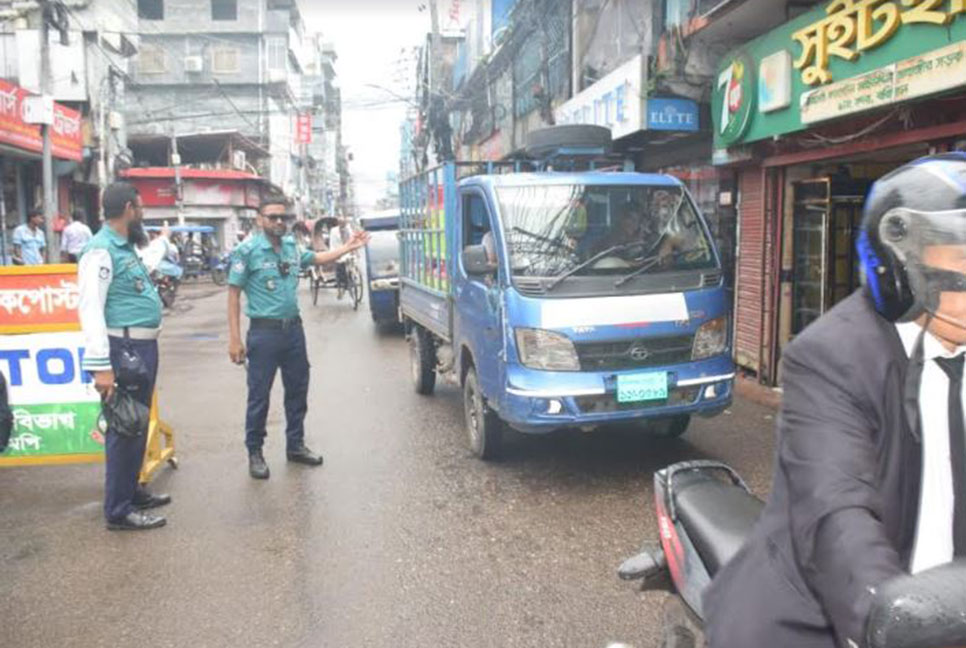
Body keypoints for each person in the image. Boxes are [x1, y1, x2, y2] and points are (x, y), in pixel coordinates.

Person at [704, 153, 966, 647]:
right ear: (903, 268)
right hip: (818, 618)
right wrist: (885, 616)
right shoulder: (830, 357)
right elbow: (836, 512)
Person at [227, 198, 369, 479]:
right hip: (263, 333)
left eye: (283, 217)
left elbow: (316, 258)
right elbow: (233, 295)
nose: (279, 222)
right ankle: (255, 452)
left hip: (293, 332)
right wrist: (234, 339)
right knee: (259, 397)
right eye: (272, 218)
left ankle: (295, 445)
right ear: (260, 220)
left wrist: (348, 247)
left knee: (297, 392)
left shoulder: (291, 247)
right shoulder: (247, 251)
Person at [77, 182, 170, 531]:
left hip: (141, 346)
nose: (142, 214)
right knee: (124, 427)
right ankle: (119, 510)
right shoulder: (99, 251)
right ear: (130, 208)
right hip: (123, 349)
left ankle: (131, 491)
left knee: (136, 422)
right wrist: (101, 366)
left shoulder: (124, 247)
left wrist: (161, 241)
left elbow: (143, 267)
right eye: (141, 208)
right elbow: (90, 309)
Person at [329, 217, 355, 297]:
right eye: (341, 223)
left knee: (352, 266)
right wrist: (334, 254)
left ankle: (351, 279)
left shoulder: (349, 229)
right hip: (338, 251)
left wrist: (354, 250)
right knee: (339, 268)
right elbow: (332, 243)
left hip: (348, 251)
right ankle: (341, 286)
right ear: (339, 223)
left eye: (344, 223)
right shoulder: (333, 231)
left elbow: (352, 239)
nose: (343, 225)